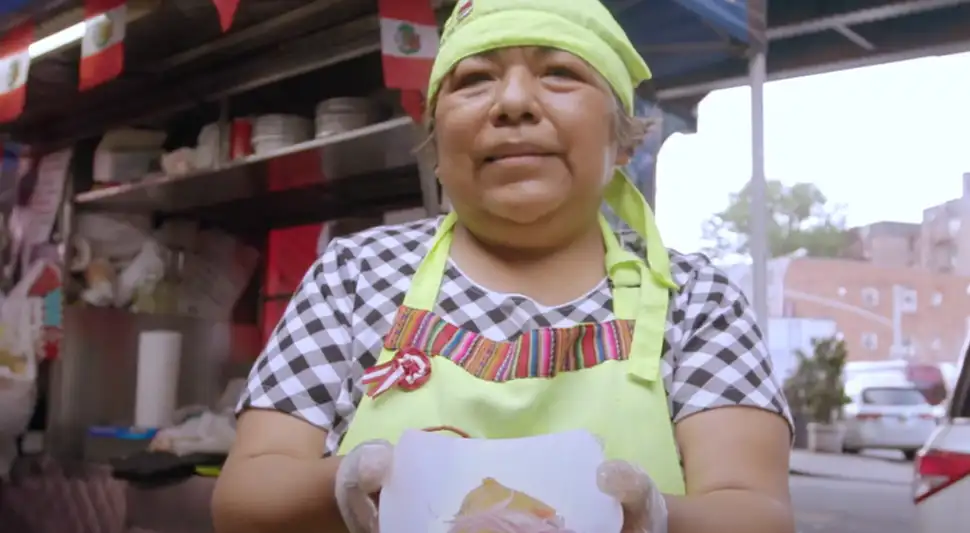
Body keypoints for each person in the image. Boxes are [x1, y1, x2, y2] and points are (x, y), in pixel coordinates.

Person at [212, 0, 795, 532]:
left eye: (561, 73)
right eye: (474, 80)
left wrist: (651, 519)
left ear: (623, 140)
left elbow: (753, 509)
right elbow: (245, 497)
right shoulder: (354, 276)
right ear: (437, 145)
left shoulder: (695, 300)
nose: (513, 102)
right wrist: (347, 484)